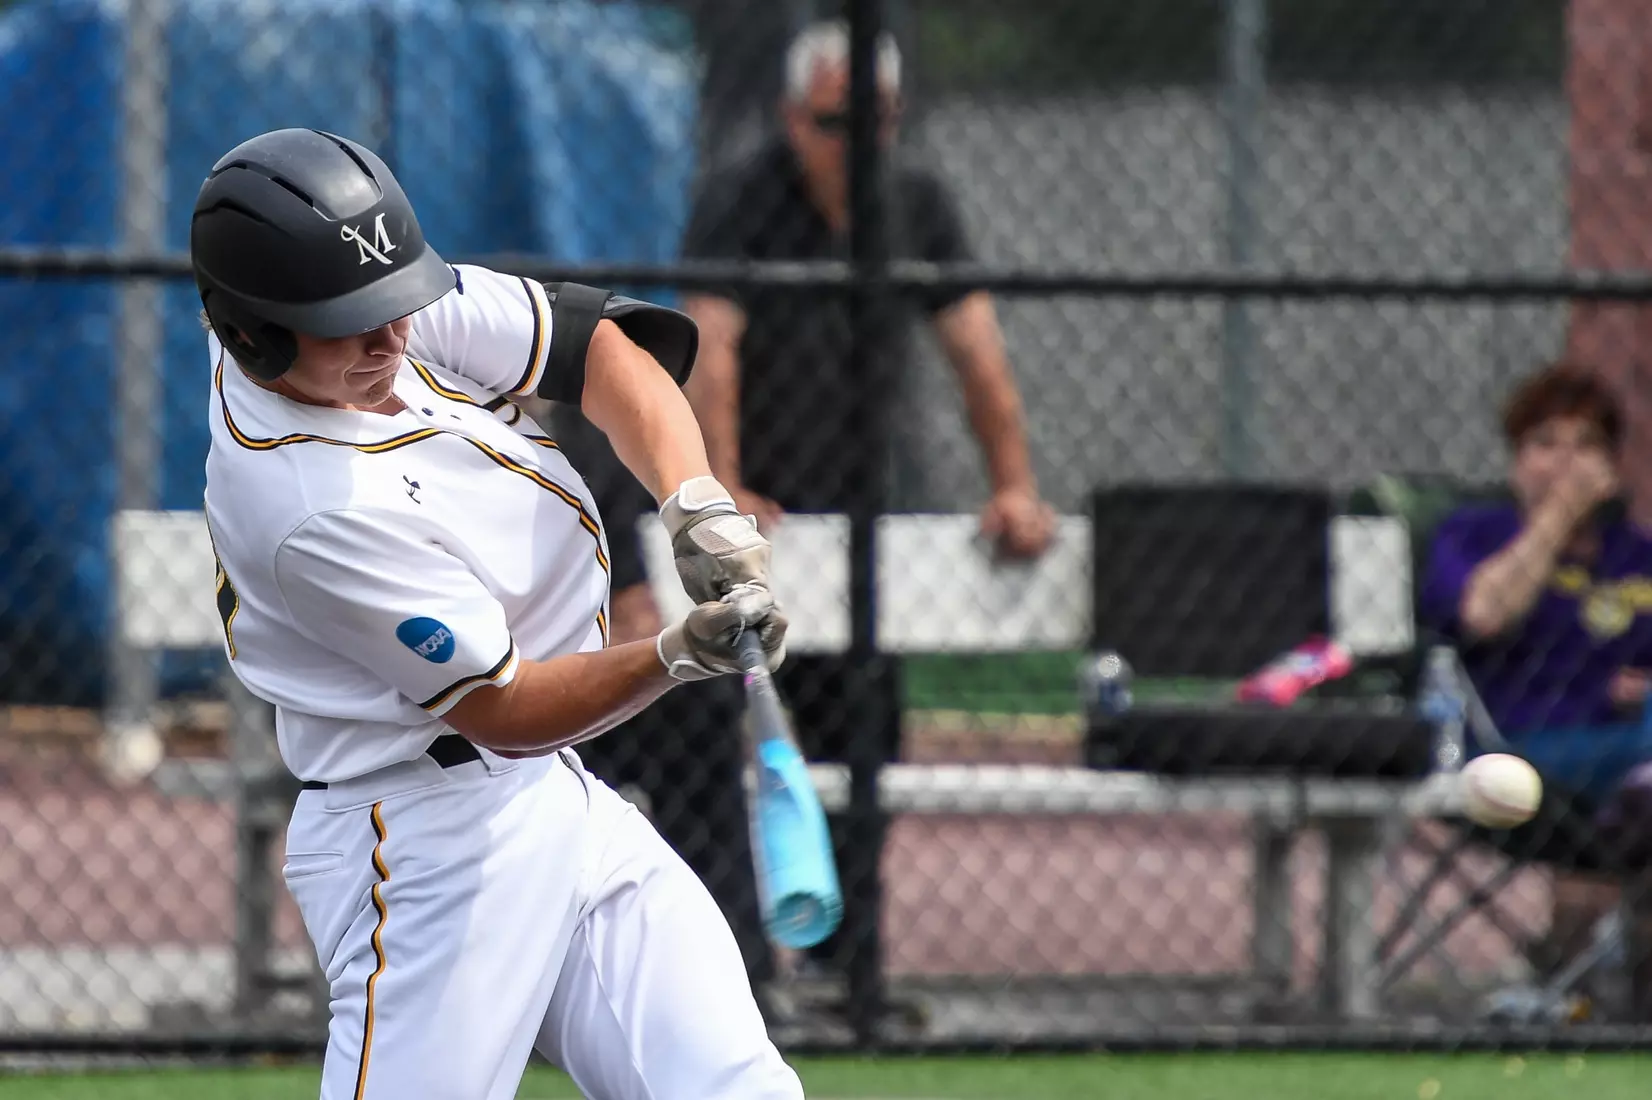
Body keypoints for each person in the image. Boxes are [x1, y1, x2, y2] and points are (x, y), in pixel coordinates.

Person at [193, 128, 801, 1099]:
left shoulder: (364, 314)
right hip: (424, 841)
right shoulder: (309, 507)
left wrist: (693, 499)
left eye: (394, 303)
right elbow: (505, 710)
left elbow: (597, 349)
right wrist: (675, 654)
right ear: (252, 335)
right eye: (352, 323)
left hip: (552, 796)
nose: (392, 338)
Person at [1421, 362, 1652, 977]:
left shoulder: (1637, 554)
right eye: (1546, 444)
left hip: (1624, 743)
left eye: (1585, 445)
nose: (1566, 463)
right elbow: (1485, 615)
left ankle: (1597, 959)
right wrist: (1557, 517)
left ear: (1611, 465)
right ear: (1516, 462)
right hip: (1515, 750)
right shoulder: (1473, 534)